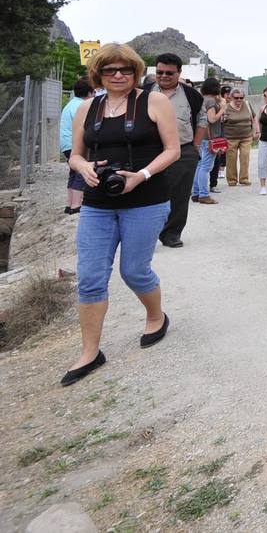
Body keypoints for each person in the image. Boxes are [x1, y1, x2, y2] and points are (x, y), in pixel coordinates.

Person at [62, 44, 181, 386]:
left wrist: (140, 175)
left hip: (146, 198)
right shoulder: (88, 107)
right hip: (98, 202)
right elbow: (75, 155)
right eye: (110, 70)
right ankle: (89, 352)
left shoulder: (154, 102)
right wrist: (83, 166)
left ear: (135, 72)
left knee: (133, 270)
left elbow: (172, 150)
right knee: (90, 276)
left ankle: (156, 316)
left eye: (125, 70)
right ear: (98, 73)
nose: (118, 75)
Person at [147, 54, 208, 247]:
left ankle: (171, 233)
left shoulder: (191, 95)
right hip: (150, 153)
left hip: (183, 152)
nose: (164, 76)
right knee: (147, 194)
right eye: (160, 72)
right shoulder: (143, 93)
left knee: (179, 195)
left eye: (169, 73)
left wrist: (195, 147)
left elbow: (202, 121)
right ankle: (145, 236)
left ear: (179, 73)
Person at [60, 77, 95, 214]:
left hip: (66, 144)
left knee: (73, 172)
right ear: (90, 93)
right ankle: (76, 205)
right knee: (82, 171)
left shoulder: (71, 103)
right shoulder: (82, 106)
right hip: (74, 143)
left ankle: (69, 204)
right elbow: (85, 126)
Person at [193, 78, 225, 206]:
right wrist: (223, 109)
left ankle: (196, 193)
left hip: (202, 137)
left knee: (200, 166)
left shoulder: (202, 99)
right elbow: (211, 119)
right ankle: (204, 195)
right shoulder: (211, 101)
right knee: (206, 167)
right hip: (210, 138)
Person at [221, 87, 255, 187]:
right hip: (231, 137)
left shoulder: (247, 105)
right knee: (231, 158)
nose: (239, 100)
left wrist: (256, 131)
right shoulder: (226, 107)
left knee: (245, 156)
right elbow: (220, 121)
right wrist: (223, 119)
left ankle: (244, 179)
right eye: (236, 98)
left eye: (241, 97)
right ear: (231, 97)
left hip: (246, 136)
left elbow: (254, 118)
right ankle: (232, 180)